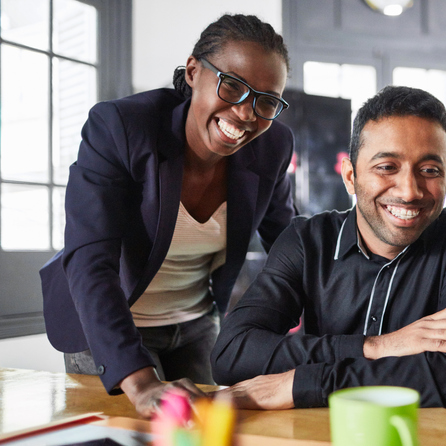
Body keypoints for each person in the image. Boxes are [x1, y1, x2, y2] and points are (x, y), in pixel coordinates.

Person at [40, 14, 296, 417]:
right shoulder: (122, 127)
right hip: (110, 323)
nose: (247, 114)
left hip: (194, 321)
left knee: (211, 440)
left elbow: (289, 244)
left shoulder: (273, 145)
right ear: (194, 71)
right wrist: (141, 384)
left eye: (266, 101)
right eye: (232, 86)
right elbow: (90, 259)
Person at [210, 85, 446, 409]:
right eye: (387, 167)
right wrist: (376, 347)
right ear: (350, 176)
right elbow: (232, 354)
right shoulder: (307, 241)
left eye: (430, 171)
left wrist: (300, 383)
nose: (410, 191)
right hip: (321, 442)